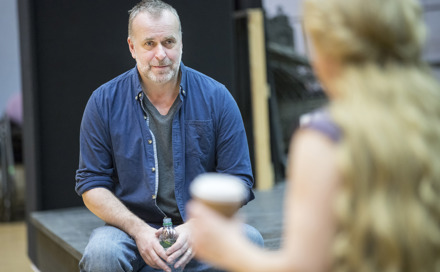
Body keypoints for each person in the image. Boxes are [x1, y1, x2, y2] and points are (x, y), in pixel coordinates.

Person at [187, 0, 440, 271]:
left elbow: (302, 267)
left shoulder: (323, 140)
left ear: (326, 47)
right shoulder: (429, 114)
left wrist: (227, 246)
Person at [75, 1, 263, 271]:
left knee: (251, 240)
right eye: (149, 44)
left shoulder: (217, 97)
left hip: (202, 227)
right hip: (131, 230)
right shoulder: (103, 102)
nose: (161, 54)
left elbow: (240, 179)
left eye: (169, 42)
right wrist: (139, 231)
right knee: (103, 253)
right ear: (132, 47)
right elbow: (91, 183)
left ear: (181, 43)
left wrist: (195, 228)